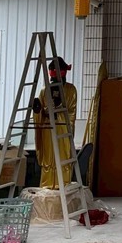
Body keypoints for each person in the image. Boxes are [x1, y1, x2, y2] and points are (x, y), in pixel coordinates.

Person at [33, 56, 78, 189]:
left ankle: (62, 183)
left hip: (62, 129)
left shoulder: (70, 90)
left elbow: (71, 112)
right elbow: (39, 114)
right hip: (47, 129)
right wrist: (37, 110)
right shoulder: (44, 90)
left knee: (63, 156)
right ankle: (47, 184)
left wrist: (58, 112)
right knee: (48, 157)